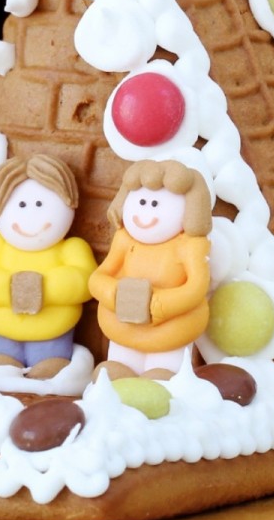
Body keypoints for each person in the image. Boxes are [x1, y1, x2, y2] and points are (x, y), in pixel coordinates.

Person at [0, 153, 96, 379]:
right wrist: (9, 286)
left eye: (40, 204)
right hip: (0, 333)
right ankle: (1, 362)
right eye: (22, 204)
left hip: (52, 335)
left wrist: (44, 286)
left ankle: (50, 367)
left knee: (51, 372)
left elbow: (85, 281)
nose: (31, 215)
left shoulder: (71, 248)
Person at [88, 159, 214, 380]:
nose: (145, 211)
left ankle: (164, 376)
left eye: (155, 204)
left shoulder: (189, 246)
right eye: (141, 201)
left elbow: (197, 287)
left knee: (161, 377)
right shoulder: (125, 240)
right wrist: (114, 294)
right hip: (123, 328)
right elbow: (99, 277)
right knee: (114, 372)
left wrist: (160, 304)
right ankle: (121, 371)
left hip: (170, 331)